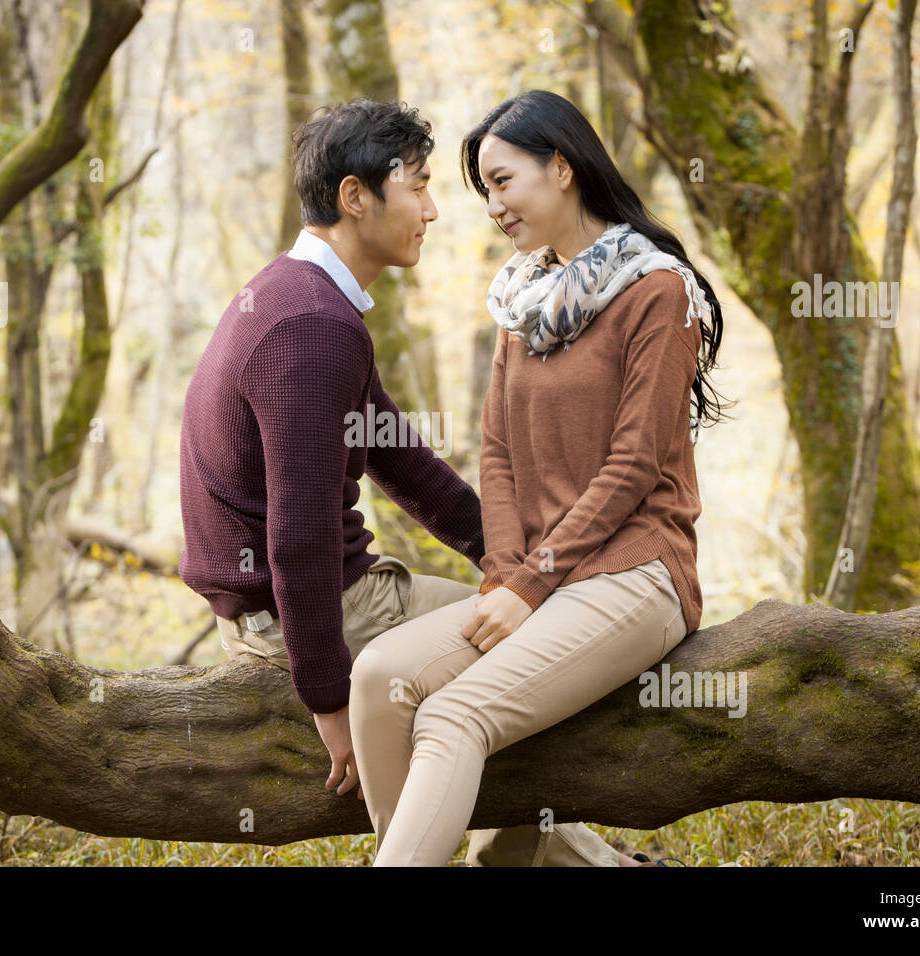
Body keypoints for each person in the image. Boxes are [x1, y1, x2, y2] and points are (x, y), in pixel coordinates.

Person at [178, 97, 632, 865]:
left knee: (512, 636)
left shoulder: (305, 298)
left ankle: (563, 862)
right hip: (310, 613)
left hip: (293, 602)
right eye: (417, 187)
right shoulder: (312, 327)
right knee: (532, 645)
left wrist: (517, 553)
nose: (432, 210)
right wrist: (326, 694)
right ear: (356, 198)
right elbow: (298, 535)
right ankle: (525, 860)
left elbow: (402, 462)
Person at [349, 89, 733, 866]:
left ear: (560, 167)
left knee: (452, 717)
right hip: (543, 578)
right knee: (380, 673)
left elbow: (635, 463)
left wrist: (534, 581)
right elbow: (498, 456)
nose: (492, 206)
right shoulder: (523, 302)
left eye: (502, 181)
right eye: (483, 190)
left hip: (636, 573)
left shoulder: (659, 293)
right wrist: (503, 573)